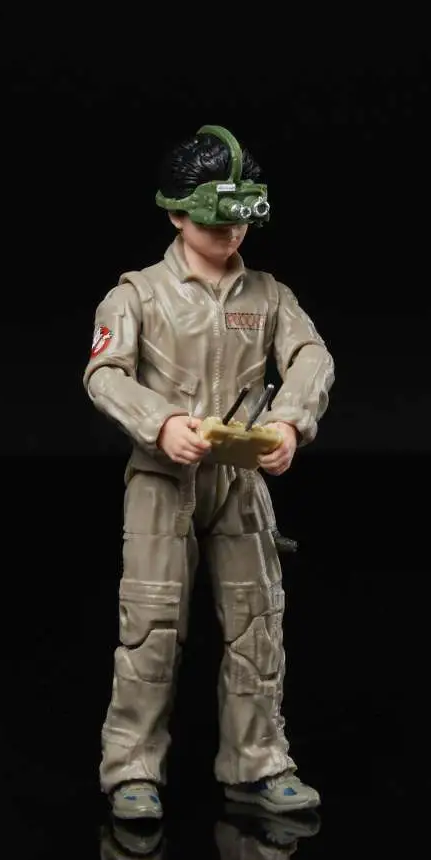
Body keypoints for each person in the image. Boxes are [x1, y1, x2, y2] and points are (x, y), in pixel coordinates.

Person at [84, 125, 334, 820]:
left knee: (257, 623)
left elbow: (312, 356)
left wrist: (290, 421)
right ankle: (131, 767)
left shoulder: (268, 295)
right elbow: (104, 374)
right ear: (176, 214)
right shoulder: (137, 296)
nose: (230, 235)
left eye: (238, 222)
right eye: (214, 222)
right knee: (151, 624)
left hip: (240, 481)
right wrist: (161, 422)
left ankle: (258, 761)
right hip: (161, 479)